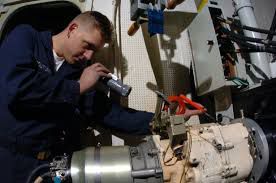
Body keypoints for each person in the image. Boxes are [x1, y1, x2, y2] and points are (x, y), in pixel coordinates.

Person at [0, 11, 203, 183]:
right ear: (72, 29)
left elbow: (110, 114)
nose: (88, 56)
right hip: (11, 161)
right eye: (87, 45)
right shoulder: (26, 38)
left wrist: (165, 121)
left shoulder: (77, 72)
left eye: (94, 51)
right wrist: (77, 86)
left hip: (49, 167)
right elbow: (18, 87)